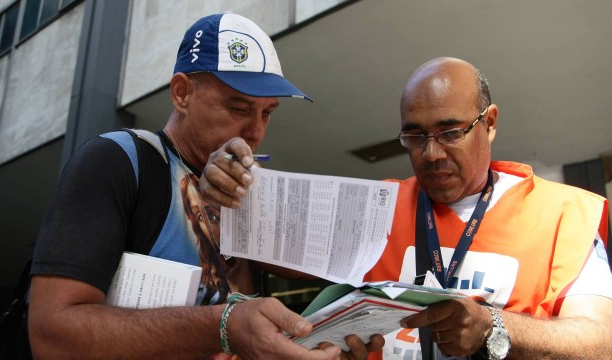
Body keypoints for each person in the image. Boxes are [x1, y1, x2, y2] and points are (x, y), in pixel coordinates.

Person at [198, 57, 612, 359]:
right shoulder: (377, 205)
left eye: (450, 132)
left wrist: (493, 326)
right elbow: (250, 239)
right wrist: (224, 180)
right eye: (414, 137)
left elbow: (600, 341)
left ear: (489, 123)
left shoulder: (564, 214)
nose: (431, 154)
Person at [28, 13, 382, 360]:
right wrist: (224, 328)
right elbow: (51, 334)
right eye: (238, 107)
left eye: (267, 112)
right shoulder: (115, 162)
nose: (256, 131)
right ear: (182, 93)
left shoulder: (253, 191)